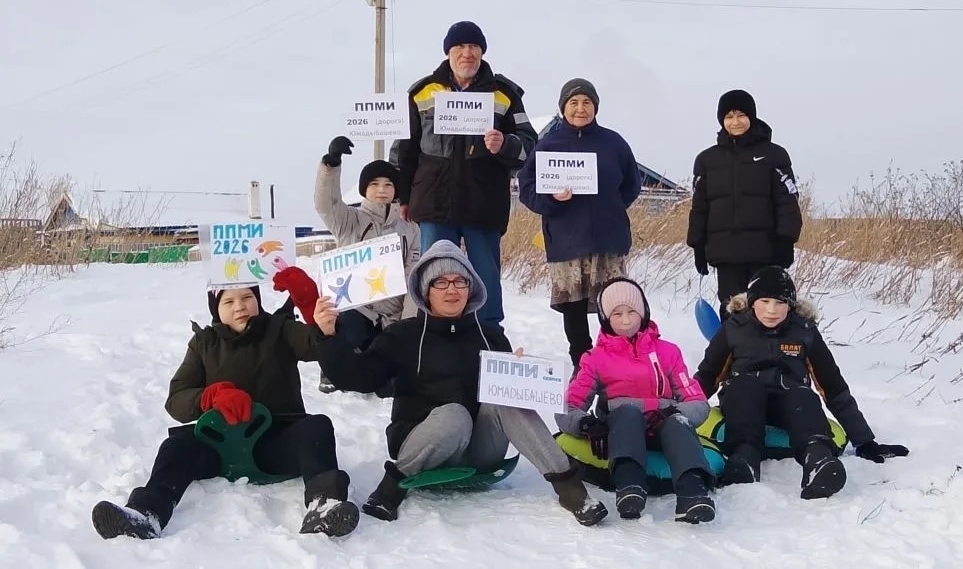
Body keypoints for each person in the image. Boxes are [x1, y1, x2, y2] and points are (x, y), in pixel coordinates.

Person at [314, 239, 610, 527]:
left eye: (460, 282)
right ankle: (392, 487)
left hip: (479, 448)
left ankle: (572, 492)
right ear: (425, 290)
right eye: (441, 282)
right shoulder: (403, 336)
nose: (452, 289)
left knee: (504, 398)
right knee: (454, 414)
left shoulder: (491, 336)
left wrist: (520, 375)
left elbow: (515, 407)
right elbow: (359, 377)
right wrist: (329, 338)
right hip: (422, 446)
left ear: (471, 289)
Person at [90, 285, 358, 540]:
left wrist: (324, 330)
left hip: (275, 445)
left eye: (247, 297)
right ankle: (146, 514)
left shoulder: (280, 329)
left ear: (258, 299)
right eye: (228, 301)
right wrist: (209, 396)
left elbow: (314, 344)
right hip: (218, 448)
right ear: (215, 307)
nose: (239, 306)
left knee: (317, 427)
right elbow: (176, 400)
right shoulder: (203, 343)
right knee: (177, 446)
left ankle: (323, 505)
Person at [693, 266, 910, 499]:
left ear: (791, 305)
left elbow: (833, 386)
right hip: (743, 402)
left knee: (803, 395)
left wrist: (865, 441)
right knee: (745, 386)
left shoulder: (804, 332)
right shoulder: (733, 329)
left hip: (788, 404)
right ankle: (744, 460)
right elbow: (706, 377)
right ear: (752, 301)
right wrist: (677, 416)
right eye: (764, 301)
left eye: (780, 303)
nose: (772, 310)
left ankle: (818, 460)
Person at [389, 20, 538, 331]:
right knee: (435, 276)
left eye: (474, 47)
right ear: (448, 52)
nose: (467, 53)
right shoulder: (421, 91)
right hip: (434, 204)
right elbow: (404, 150)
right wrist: (404, 196)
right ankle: (432, 337)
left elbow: (529, 144)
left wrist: (504, 144)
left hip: (483, 204)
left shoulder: (505, 94)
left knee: (485, 277)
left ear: (482, 52)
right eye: (460, 47)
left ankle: (489, 338)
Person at [557, 277, 716, 523]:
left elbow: (697, 401)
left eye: (632, 311)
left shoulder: (667, 352)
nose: (626, 320)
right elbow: (568, 405)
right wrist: (586, 424)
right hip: (622, 428)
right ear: (605, 318)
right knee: (628, 412)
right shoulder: (594, 358)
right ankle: (630, 487)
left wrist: (671, 411)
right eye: (617, 314)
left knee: (678, 422)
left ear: (644, 312)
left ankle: (693, 493)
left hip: (662, 426)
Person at [517, 78, 641, 370]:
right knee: (572, 309)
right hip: (566, 240)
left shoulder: (614, 143)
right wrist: (553, 200)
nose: (580, 108)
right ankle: (583, 366)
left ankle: (615, 364)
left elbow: (631, 185)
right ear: (563, 107)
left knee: (612, 305)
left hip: (608, 240)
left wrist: (608, 207)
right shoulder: (548, 144)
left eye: (587, 102)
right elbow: (527, 190)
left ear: (595, 107)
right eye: (573, 102)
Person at [300, 134, 421, 393]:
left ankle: (379, 371)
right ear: (364, 188)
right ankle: (332, 368)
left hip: (391, 314)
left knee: (391, 360)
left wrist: (407, 324)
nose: (381, 189)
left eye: (388, 184)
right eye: (374, 183)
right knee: (349, 327)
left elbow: (413, 276)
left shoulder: (410, 230)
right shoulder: (349, 220)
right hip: (355, 309)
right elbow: (326, 204)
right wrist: (331, 165)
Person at [686, 89, 803, 321]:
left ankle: (766, 355)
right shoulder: (707, 160)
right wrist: (698, 245)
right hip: (726, 252)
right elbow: (699, 207)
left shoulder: (774, 155)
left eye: (741, 115)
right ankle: (733, 355)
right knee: (732, 309)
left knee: (766, 308)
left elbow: (787, 201)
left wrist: (786, 241)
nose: (735, 122)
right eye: (729, 117)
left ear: (752, 116)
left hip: (765, 251)